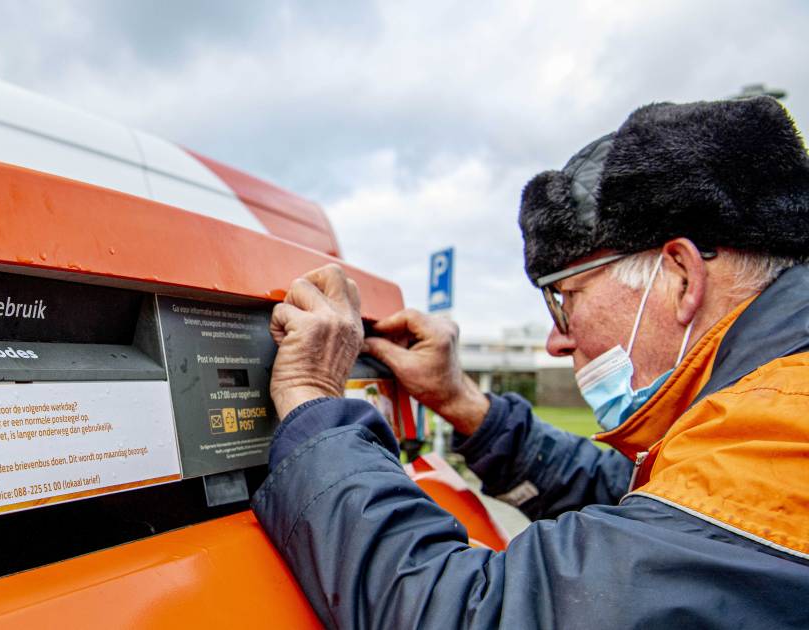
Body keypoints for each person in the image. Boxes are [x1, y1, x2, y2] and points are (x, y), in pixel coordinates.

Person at [254, 96, 809, 629]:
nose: (556, 341)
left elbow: (474, 614)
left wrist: (310, 394)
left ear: (680, 276)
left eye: (566, 299)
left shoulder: (786, 435)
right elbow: (638, 502)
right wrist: (460, 402)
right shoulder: (764, 412)